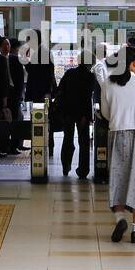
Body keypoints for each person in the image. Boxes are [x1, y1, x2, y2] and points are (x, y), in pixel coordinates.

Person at [94, 46, 135, 243]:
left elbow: (105, 114)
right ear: (133, 63)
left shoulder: (108, 84)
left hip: (117, 134)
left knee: (117, 177)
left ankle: (120, 218)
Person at [53, 50, 96, 179]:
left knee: (68, 139)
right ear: (91, 62)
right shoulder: (90, 76)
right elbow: (87, 98)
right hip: (82, 113)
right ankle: (83, 171)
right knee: (84, 143)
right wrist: (87, 116)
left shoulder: (70, 73)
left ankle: (66, 166)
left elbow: (60, 90)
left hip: (67, 112)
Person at [22, 32, 56, 106]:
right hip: (41, 92)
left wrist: (47, 92)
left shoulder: (42, 52)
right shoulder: (41, 51)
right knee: (41, 114)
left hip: (41, 92)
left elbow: (47, 73)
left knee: (41, 114)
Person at [5, 37, 26, 153]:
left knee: (15, 119)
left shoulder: (5, 59)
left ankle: (16, 144)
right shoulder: (15, 60)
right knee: (16, 120)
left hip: (7, 96)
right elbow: (20, 80)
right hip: (14, 96)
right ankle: (14, 145)